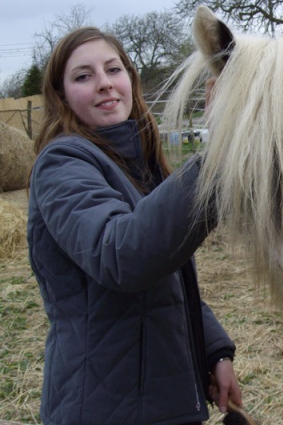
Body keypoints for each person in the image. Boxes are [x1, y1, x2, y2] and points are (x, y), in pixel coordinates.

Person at [27, 27, 242, 425]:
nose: (105, 84)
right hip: (105, 409)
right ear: (61, 96)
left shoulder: (138, 165)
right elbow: (123, 255)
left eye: (113, 69)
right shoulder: (62, 165)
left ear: (130, 78)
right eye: (83, 76)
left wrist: (213, 351)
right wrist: (219, 156)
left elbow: (168, 281)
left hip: (160, 401)